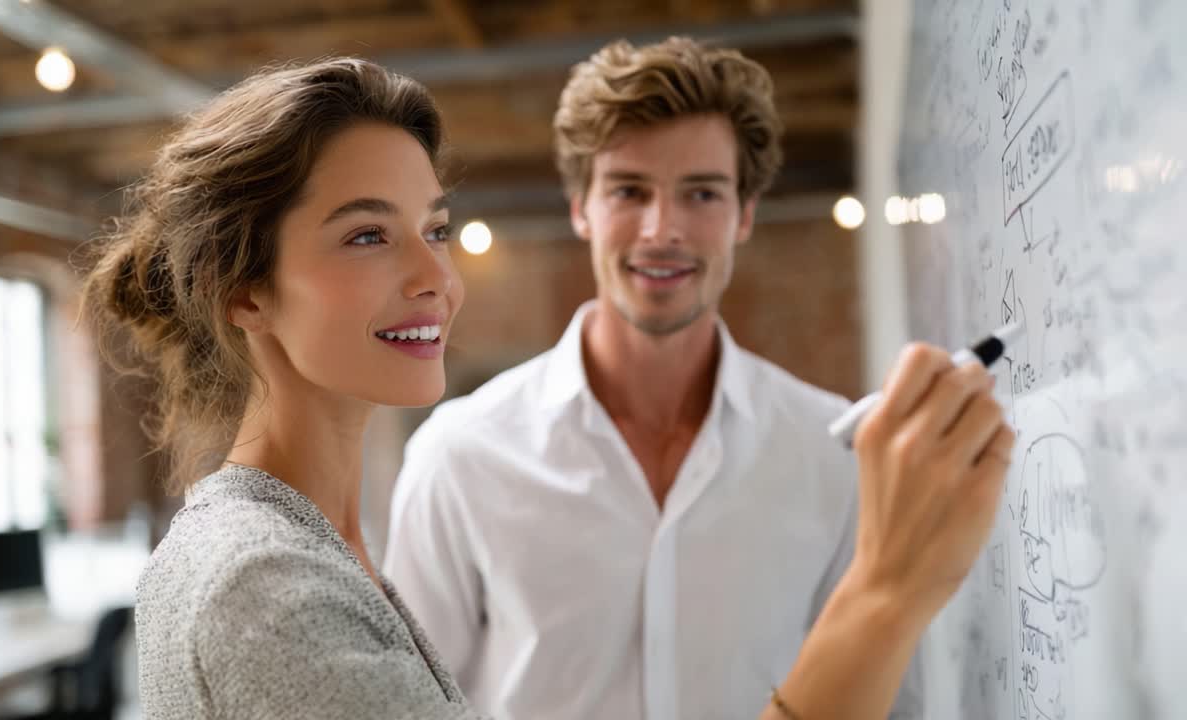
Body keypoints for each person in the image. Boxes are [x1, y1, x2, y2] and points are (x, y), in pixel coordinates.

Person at [83, 54, 1014, 720]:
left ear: (745, 214)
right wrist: (888, 594)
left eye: (435, 229)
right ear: (242, 291)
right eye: (369, 233)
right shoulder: (269, 579)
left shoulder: (836, 448)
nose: (437, 278)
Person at [383, 37, 1012, 720]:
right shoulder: (459, 455)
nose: (662, 230)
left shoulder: (835, 456)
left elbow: (886, 700)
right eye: (629, 190)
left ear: (743, 214)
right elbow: (408, 709)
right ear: (581, 208)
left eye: (702, 193)